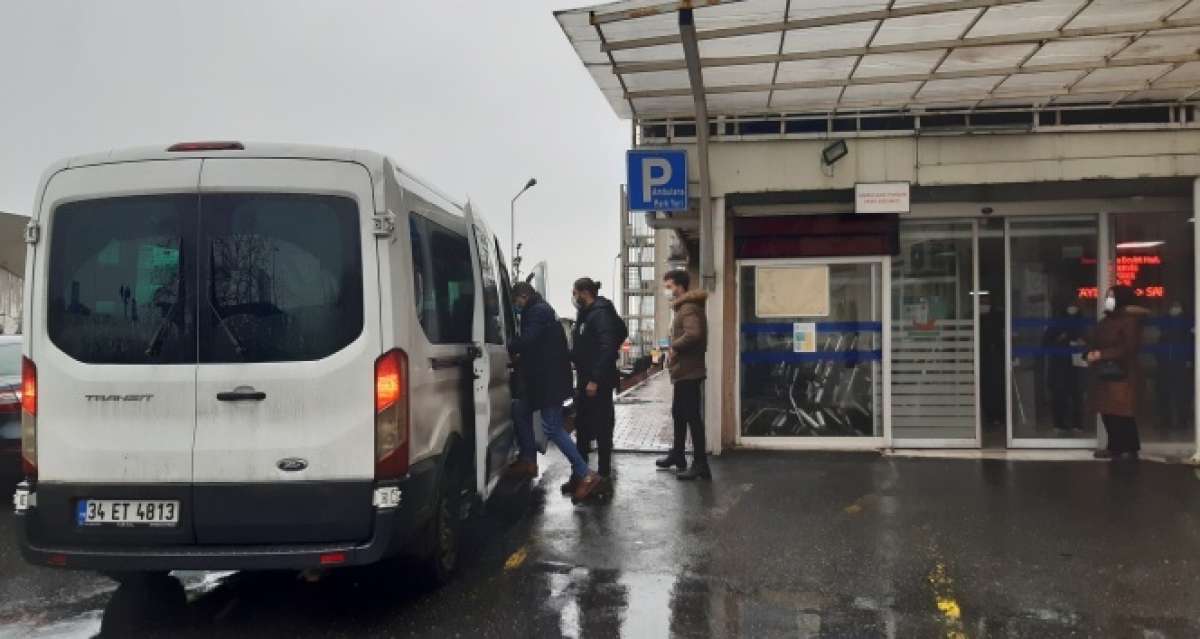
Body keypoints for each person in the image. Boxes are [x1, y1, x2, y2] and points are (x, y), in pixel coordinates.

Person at [507, 282, 604, 502]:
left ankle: (586, 474)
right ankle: (529, 460)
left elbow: (528, 340)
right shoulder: (539, 309)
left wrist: (509, 346)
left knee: (552, 427)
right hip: (544, 380)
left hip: (550, 382)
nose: (516, 306)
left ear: (523, 296)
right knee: (519, 408)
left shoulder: (537, 311)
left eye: (516, 302)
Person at [567, 277, 624, 493]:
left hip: (597, 383)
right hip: (585, 380)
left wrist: (595, 379)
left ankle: (603, 476)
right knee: (582, 429)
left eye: (574, 292)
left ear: (584, 292)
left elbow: (608, 347)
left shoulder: (600, 313)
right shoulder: (586, 314)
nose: (573, 297)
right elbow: (585, 346)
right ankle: (580, 475)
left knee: (601, 429)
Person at [655, 270, 710, 481]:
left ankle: (700, 464)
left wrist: (674, 347)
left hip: (689, 370)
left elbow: (694, 334)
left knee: (692, 416)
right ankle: (678, 455)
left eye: (668, 286)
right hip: (684, 370)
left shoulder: (688, 308)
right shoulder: (682, 307)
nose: (666, 290)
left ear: (680, 286)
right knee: (679, 413)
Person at [1087, 285, 1145, 460]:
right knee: (1107, 411)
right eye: (1107, 296)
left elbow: (1129, 347)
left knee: (1123, 411)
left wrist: (1102, 354)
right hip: (1104, 371)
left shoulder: (1129, 320)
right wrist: (1089, 352)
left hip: (1123, 372)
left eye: (1112, 296)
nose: (1108, 299)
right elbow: (1095, 340)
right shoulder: (1106, 320)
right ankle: (1114, 447)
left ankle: (1130, 448)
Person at [1042, 302, 1086, 433]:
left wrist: (1082, 343)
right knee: (1059, 394)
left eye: (1075, 306)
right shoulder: (1056, 324)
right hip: (1059, 365)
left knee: (1077, 394)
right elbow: (1046, 344)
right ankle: (1059, 423)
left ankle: (1077, 424)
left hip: (1077, 364)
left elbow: (1090, 340)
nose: (1072, 308)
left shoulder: (1082, 323)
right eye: (1070, 306)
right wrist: (1061, 339)